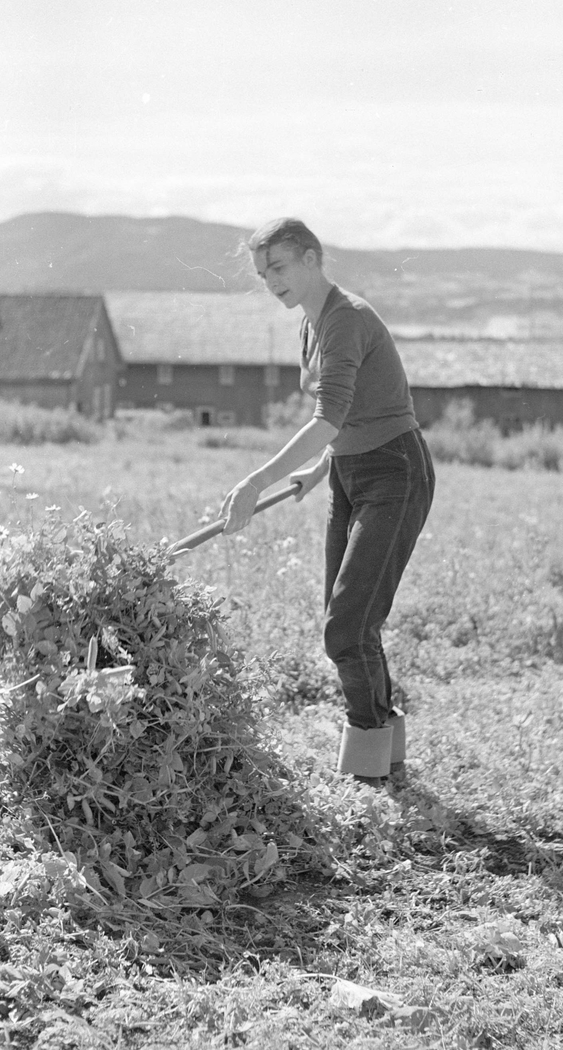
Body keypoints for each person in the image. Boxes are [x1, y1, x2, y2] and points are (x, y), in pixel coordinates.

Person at [219, 218, 435, 786]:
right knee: (349, 620)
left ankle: (368, 769)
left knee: (347, 626)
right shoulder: (312, 325)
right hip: (349, 472)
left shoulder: (346, 319)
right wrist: (322, 467)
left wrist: (254, 482)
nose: (271, 282)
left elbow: (329, 416)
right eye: (264, 273)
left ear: (313, 259)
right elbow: (348, 415)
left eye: (280, 268)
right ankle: (384, 755)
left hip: (394, 472)